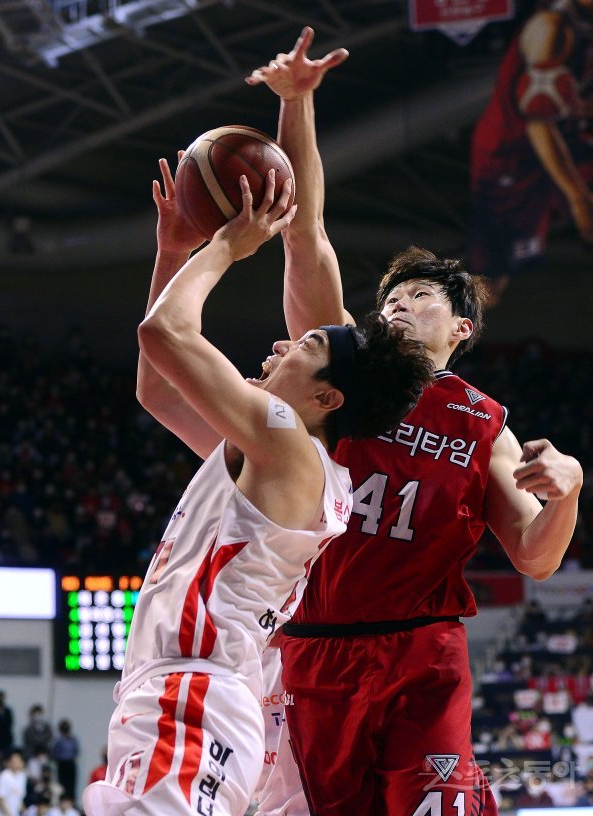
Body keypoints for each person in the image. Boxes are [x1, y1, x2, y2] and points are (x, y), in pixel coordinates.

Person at [247, 27, 584, 816]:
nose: (396, 307)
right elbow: (306, 233)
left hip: (423, 650)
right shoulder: (343, 371)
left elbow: (535, 556)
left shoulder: (483, 424)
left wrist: (568, 494)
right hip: (313, 648)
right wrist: (296, 106)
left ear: (460, 329)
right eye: (389, 300)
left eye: (418, 298)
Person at [82, 165, 432, 816]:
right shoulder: (275, 457)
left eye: (304, 345)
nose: (281, 344)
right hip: (195, 696)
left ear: (328, 397)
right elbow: (157, 385)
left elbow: (166, 334)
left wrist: (224, 247)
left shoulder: (284, 441)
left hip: (196, 695)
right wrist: (171, 251)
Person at [469, 0, 593, 304]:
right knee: (490, 288)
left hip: (565, 142)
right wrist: (578, 198)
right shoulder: (551, 27)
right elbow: (539, 119)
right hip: (512, 155)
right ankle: (448, 339)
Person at [51, 721, 78, 801]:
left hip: (70, 763)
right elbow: (54, 752)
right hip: (61, 764)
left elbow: (76, 751)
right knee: (62, 785)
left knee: (71, 785)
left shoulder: (73, 739)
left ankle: (71, 801)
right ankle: (62, 801)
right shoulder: (58, 740)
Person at [0, 751, 26, 816]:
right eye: (14, 761)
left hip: (14, 813)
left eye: (18, 761)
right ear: (9, 763)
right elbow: (1, 800)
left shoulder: (22, 777)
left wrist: (25, 812)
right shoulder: (3, 777)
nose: (16, 763)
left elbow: (19, 798)